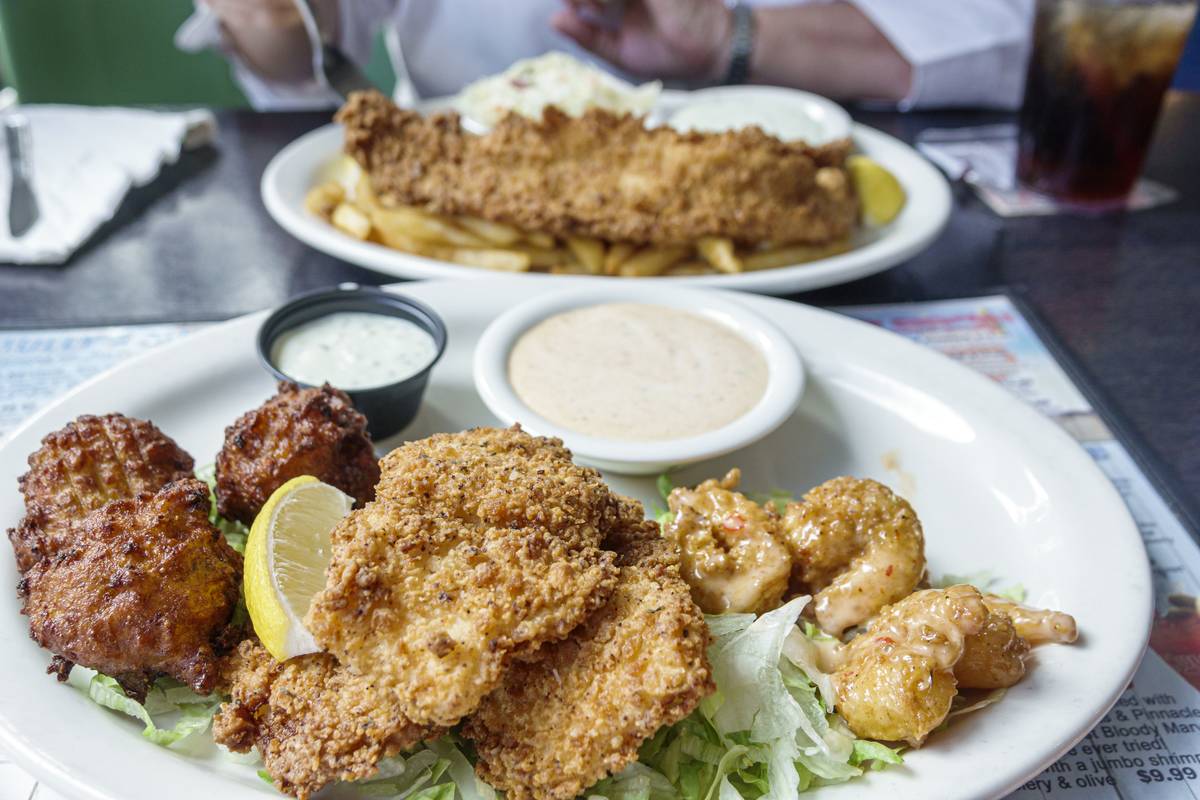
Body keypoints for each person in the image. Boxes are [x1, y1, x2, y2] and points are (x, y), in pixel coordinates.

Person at [178, 0, 1033, 111]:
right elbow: (302, 51)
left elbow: (1021, 34)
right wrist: (268, 18)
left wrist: (732, 37)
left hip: (826, 256)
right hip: (447, 260)